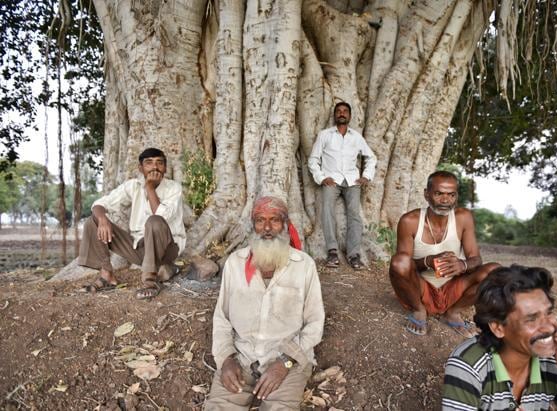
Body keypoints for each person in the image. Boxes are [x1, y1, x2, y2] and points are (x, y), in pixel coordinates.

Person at [204, 196, 324, 410]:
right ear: (253, 225)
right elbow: (221, 318)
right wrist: (226, 360)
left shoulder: (304, 265)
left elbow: (315, 324)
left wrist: (285, 362)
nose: (267, 227)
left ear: (285, 225)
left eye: (275, 220)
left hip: (288, 360)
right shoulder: (235, 263)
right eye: (260, 220)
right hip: (243, 357)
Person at [442, 265, 557, 411]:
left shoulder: (555, 357)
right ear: (498, 328)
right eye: (531, 319)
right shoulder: (469, 365)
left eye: (549, 313)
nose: (550, 327)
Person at [389, 170, 499, 337]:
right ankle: (419, 311)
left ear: (456, 197)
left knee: (495, 271)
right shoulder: (409, 221)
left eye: (451, 195)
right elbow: (404, 266)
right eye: (439, 194)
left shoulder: (463, 217)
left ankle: (453, 313)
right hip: (421, 290)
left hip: (454, 290)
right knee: (400, 262)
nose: (445, 200)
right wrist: (428, 262)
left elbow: (476, 259)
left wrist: (463, 265)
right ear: (427, 194)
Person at [78, 147, 185, 300]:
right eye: (149, 163)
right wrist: (102, 219)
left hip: (167, 248)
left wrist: (149, 187)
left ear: (165, 168)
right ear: (140, 168)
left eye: (159, 163)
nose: (155, 167)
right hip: (139, 249)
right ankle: (107, 275)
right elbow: (100, 204)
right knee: (93, 220)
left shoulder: (174, 188)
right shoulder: (133, 186)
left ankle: (150, 281)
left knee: (154, 221)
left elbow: (160, 216)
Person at [308, 101, 377, 270]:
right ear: (334, 115)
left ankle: (354, 254)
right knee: (327, 210)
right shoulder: (325, 135)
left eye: (345, 111)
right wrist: (321, 177)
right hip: (331, 180)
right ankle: (332, 251)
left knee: (354, 214)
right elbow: (313, 159)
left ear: (350, 116)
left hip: (352, 180)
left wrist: (366, 176)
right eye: (338, 111)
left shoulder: (357, 137)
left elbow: (371, 157)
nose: (342, 113)